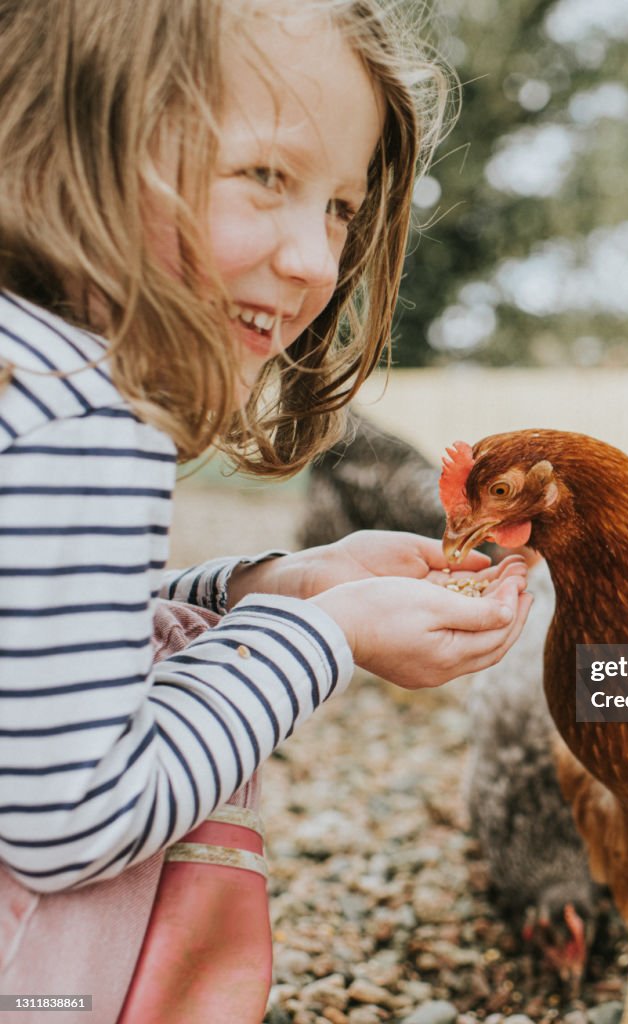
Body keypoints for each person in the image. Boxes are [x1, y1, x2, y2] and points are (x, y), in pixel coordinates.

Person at [0, 0, 531, 1018]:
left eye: (340, 207)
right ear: (82, 128)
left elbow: (39, 648)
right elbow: (72, 814)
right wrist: (325, 634)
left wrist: (270, 586)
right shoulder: (84, 418)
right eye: (264, 177)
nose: (317, 263)